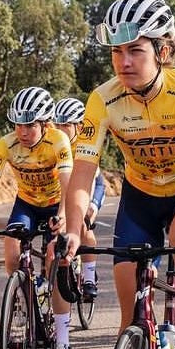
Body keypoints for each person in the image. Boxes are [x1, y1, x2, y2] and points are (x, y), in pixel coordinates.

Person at [61, 0, 175, 349]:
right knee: (130, 321)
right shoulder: (102, 99)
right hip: (139, 197)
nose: (124, 62)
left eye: (135, 50)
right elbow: (82, 175)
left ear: (163, 50)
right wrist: (72, 229)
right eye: (117, 51)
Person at [0, 86, 75, 349]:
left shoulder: (58, 141)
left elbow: (68, 184)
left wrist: (62, 215)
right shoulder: (6, 143)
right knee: (12, 250)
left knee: (54, 258)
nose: (23, 131)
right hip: (26, 203)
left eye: (30, 125)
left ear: (45, 123)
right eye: (18, 124)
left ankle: (62, 339)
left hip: (55, 203)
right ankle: (25, 297)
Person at [51, 97, 106, 300]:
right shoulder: (54, 142)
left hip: (92, 186)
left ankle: (90, 277)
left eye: (65, 124)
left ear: (79, 126)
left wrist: (85, 210)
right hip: (64, 189)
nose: (59, 128)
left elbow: (89, 182)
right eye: (56, 124)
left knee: (83, 223)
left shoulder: (85, 144)